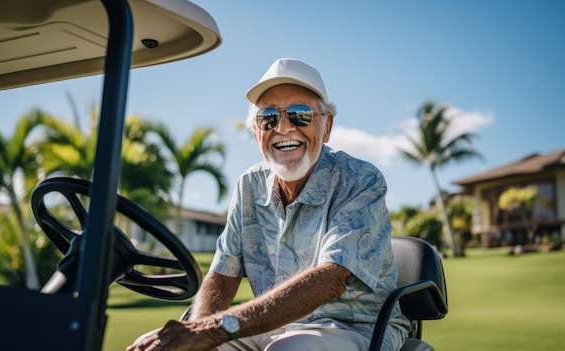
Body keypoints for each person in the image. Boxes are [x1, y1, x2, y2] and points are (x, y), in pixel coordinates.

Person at [127, 58, 411, 351]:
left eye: (300, 115)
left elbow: (331, 279)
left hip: (355, 326)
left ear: (326, 127)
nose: (284, 128)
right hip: (271, 325)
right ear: (256, 132)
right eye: (268, 118)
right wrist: (197, 333)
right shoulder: (248, 186)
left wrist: (211, 329)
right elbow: (222, 278)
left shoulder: (359, 179)